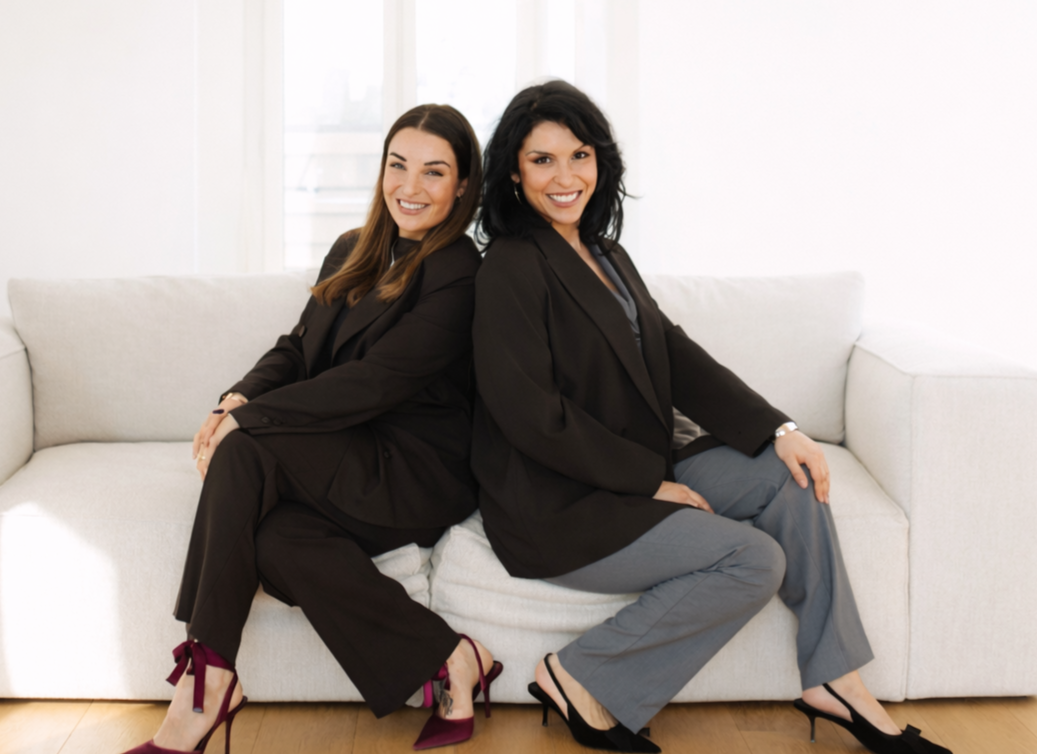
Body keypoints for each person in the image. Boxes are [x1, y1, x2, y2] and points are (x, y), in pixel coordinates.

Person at [469, 81, 949, 754]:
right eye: (542, 159)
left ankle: (834, 680)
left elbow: (674, 352)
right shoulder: (508, 268)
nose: (564, 176)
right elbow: (531, 417)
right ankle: (577, 674)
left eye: (578, 155)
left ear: (600, 162)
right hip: (557, 502)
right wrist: (645, 482)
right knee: (753, 559)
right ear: (514, 172)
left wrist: (780, 429)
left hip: (639, 461)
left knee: (793, 479)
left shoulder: (604, 252)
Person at [125, 104, 499, 754]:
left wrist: (246, 421)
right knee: (269, 536)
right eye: (397, 165)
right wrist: (237, 395)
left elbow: (378, 380)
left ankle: (205, 685)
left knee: (242, 456)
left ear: (463, 185)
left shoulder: (459, 270)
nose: (409, 187)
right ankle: (450, 656)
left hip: (414, 467)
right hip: (345, 450)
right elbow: (297, 347)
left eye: (433, 172)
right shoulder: (350, 250)